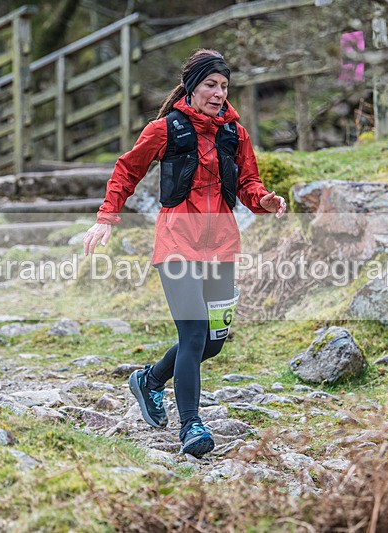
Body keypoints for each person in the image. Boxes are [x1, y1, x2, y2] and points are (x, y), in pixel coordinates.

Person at [83, 49, 286, 458]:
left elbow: (249, 182)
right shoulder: (166, 129)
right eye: (211, 84)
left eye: (224, 86)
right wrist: (106, 216)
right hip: (177, 242)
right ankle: (190, 424)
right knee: (193, 333)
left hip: (222, 243)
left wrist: (263, 201)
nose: (218, 93)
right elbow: (126, 169)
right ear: (192, 86)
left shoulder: (236, 133)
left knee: (213, 341)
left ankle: (151, 380)